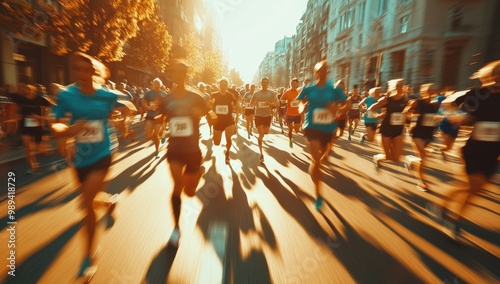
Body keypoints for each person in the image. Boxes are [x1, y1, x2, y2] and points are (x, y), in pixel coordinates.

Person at [51, 52, 136, 277]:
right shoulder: (67, 95)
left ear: (93, 71)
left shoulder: (106, 95)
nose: (80, 73)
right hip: (79, 157)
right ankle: (108, 203)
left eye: (85, 69)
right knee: (91, 199)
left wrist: (123, 121)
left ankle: (89, 256)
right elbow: (55, 125)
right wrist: (68, 132)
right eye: (76, 69)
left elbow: (131, 107)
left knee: (86, 203)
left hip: (103, 153)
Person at [427, 60, 500, 240]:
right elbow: (448, 103)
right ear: (488, 76)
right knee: (472, 184)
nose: (498, 80)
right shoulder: (478, 94)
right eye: (496, 75)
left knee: (473, 189)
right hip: (474, 149)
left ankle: (441, 204)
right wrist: (456, 118)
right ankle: (455, 221)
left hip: (494, 151)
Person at [160, 60, 216, 247]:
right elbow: (161, 117)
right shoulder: (167, 99)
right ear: (172, 75)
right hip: (175, 149)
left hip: (192, 150)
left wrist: (202, 113)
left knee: (190, 192)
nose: (179, 75)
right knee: (177, 186)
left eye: (182, 72)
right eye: (175, 72)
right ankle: (176, 229)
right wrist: (157, 128)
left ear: (186, 75)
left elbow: (212, 116)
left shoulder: (196, 97)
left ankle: (198, 172)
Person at [296, 60, 346, 209]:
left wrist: (337, 109)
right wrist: (301, 108)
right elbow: (299, 102)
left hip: (328, 130)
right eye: (320, 70)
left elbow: (346, 105)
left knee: (321, 161)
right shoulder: (308, 89)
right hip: (311, 127)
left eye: (325, 70)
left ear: (327, 72)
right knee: (317, 160)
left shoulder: (334, 90)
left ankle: (315, 169)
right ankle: (318, 196)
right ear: (315, 72)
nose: (323, 72)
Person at [10, 83, 55, 173]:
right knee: (28, 147)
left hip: (37, 125)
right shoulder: (21, 99)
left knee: (38, 148)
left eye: (30, 90)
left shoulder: (40, 99)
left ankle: (44, 149)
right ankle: (33, 165)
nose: (28, 92)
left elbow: (52, 106)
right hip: (24, 125)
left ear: (34, 91)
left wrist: (42, 117)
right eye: (26, 90)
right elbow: (14, 107)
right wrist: (16, 115)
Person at [402, 83, 440, 191]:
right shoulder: (416, 102)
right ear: (423, 92)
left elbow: (435, 118)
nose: (430, 93)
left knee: (422, 159)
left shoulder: (435, 105)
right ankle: (421, 182)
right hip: (417, 132)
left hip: (428, 133)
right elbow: (405, 113)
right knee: (423, 155)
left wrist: (437, 119)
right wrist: (412, 117)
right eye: (428, 91)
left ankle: (410, 159)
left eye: (432, 91)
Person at [369, 78, 409, 168]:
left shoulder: (405, 100)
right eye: (398, 86)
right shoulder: (386, 99)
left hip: (398, 130)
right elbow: (371, 108)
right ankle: (377, 158)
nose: (400, 88)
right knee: (388, 156)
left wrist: (408, 115)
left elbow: (411, 110)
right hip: (386, 129)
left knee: (396, 158)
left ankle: (410, 161)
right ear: (393, 88)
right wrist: (377, 115)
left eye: (402, 86)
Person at [251, 77, 278, 163]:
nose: (265, 84)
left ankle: (261, 136)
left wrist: (270, 103)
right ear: (261, 83)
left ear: (268, 84)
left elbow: (277, 104)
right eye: (263, 83)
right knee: (261, 134)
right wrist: (254, 103)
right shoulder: (256, 93)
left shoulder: (271, 93)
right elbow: (251, 103)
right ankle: (261, 154)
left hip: (267, 116)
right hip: (258, 115)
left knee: (266, 132)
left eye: (266, 83)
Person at [211, 77, 238, 164]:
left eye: (224, 85)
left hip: (228, 121)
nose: (222, 86)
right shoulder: (214, 95)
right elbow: (210, 108)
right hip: (217, 121)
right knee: (216, 143)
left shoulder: (230, 96)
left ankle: (227, 154)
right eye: (221, 85)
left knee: (228, 139)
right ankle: (214, 137)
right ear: (219, 85)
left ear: (227, 86)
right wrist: (212, 117)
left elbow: (236, 105)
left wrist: (235, 112)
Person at [143, 78, 167, 158]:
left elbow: (167, 105)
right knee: (149, 136)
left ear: (160, 85)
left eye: (158, 83)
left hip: (159, 116)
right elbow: (143, 101)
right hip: (150, 116)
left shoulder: (163, 94)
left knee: (156, 134)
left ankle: (157, 150)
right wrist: (147, 106)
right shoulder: (148, 93)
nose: (156, 85)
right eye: (155, 83)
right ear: (153, 84)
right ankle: (161, 136)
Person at [281, 78, 301, 147]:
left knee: (297, 130)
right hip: (289, 113)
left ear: (297, 84)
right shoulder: (287, 92)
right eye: (292, 83)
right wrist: (283, 101)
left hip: (297, 114)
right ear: (291, 84)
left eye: (295, 83)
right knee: (290, 130)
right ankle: (290, 140)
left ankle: (293, 127)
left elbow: (303, 100)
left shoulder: (299, 92)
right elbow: (282, 99)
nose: (293, 84)